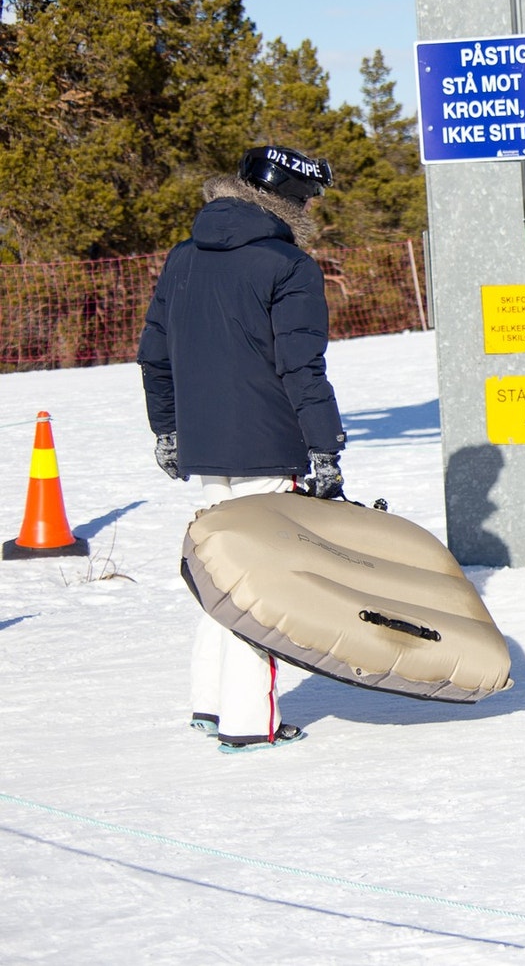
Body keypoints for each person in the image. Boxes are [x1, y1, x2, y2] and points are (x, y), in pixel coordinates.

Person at [137, 145, 345, 754]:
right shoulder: (289, 266)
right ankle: (250, 721)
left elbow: (155, 356)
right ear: (289, 200)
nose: (310, 211)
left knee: (222, 575)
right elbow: (302, 369)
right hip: (268, 446)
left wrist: (168, 431)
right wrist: (325, 449)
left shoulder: (182, 259)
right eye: (308, 200)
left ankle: (209, 703)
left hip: (206, 447)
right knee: (263, 588)